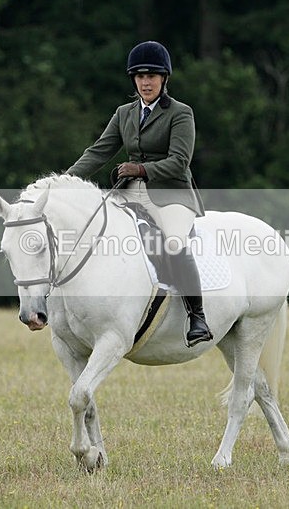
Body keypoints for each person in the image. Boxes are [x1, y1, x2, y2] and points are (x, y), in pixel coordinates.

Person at [65, 41, 212, 348]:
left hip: (171, 194)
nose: (146, 82)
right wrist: (65, 181)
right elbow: (98, 151)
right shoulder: (124, 113)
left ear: (164, 78)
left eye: (152, 76)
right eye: (140, 76)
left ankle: (196, 317)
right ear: (133, 79)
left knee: (174, 242)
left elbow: (179, 161)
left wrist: (141, 169)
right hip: (130, 192)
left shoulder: (180, 113)